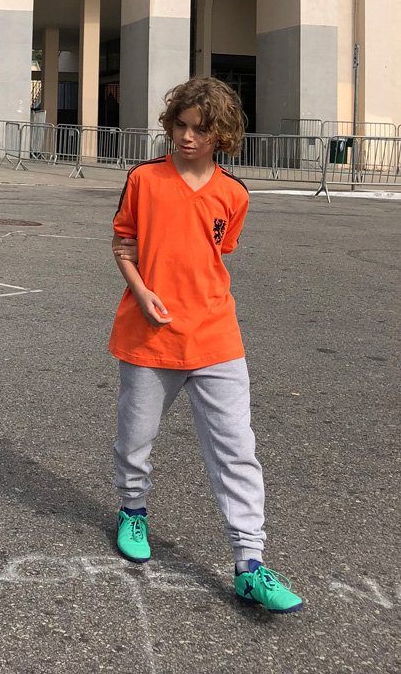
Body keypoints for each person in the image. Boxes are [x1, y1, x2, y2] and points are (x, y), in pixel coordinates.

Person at [108, 76, 303, 614]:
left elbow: (219, 253)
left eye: (200, 129)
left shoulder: (234, 194)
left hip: (217, 335)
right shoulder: (144, 180)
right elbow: (124, 244)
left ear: (222, 134)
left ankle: (250, 564)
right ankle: (132, 509)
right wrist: (143, 293)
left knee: (237, 451)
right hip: (150, 332)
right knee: (136, 437)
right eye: (180, 125)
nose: (187, 137)